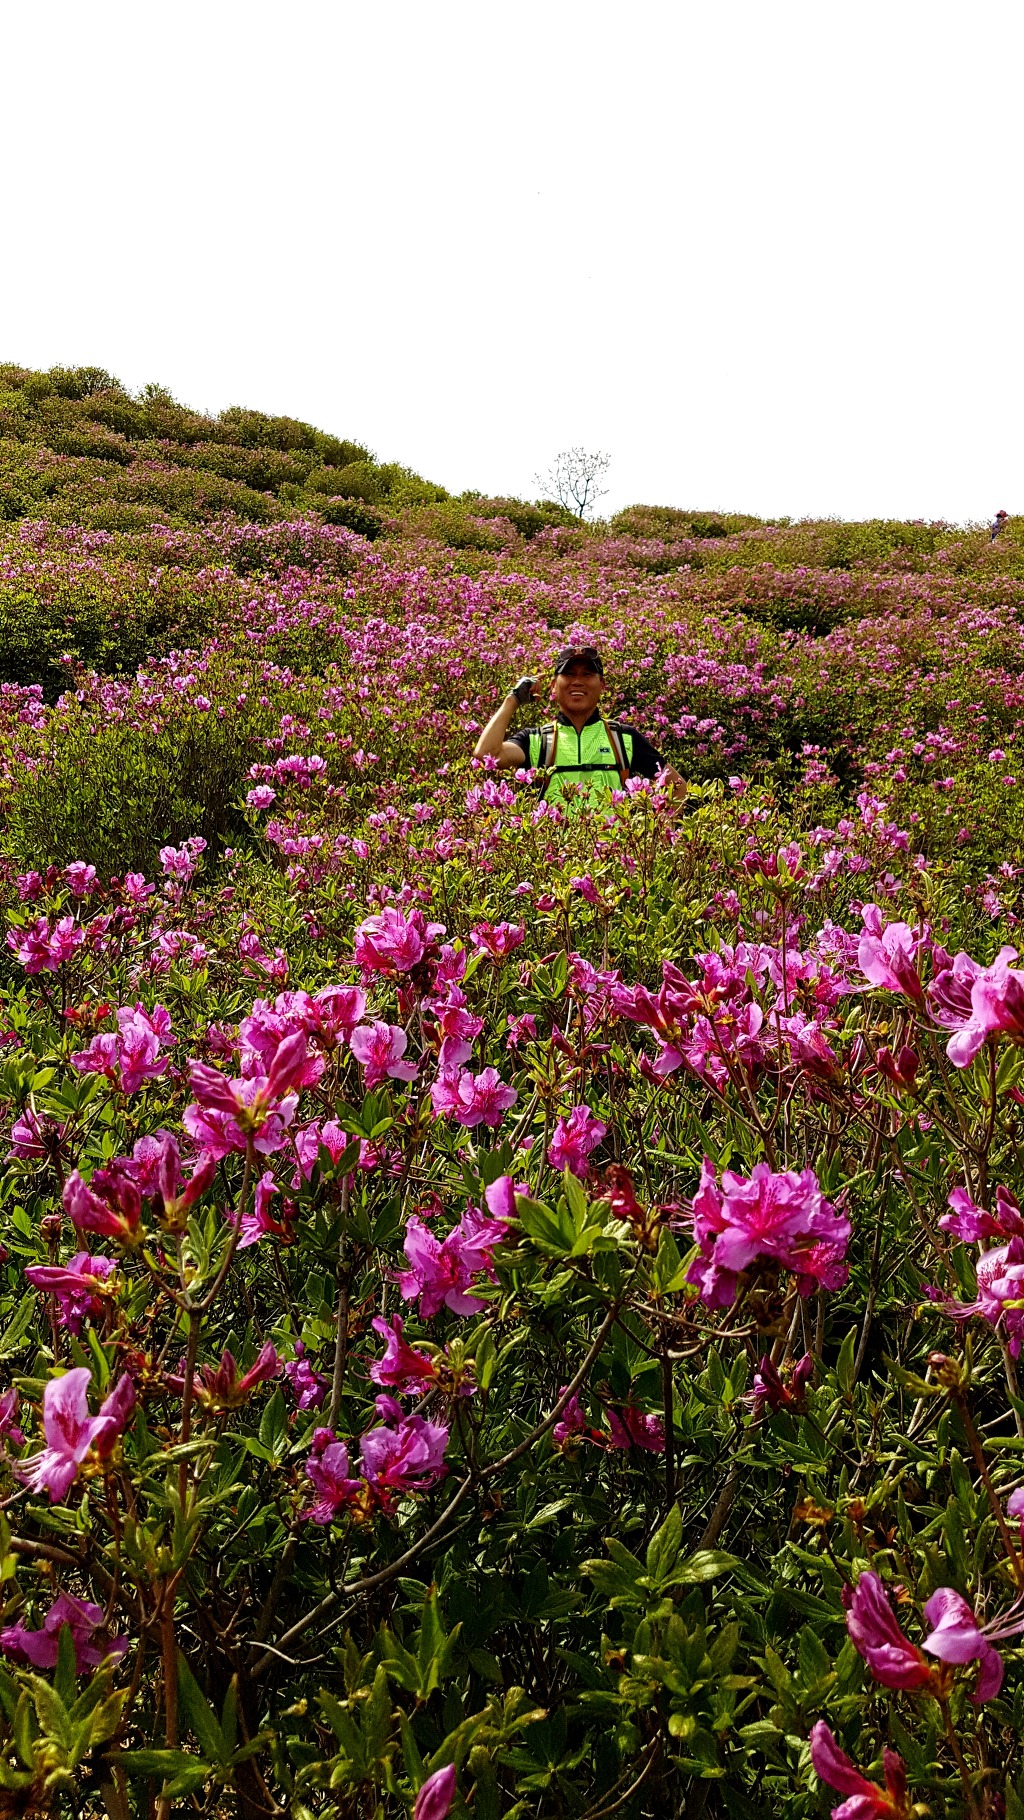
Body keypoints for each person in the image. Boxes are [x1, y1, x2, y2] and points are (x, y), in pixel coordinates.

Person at [473, 645, 682, 807]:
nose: (578, 681)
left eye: (587, 674)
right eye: (569, 674)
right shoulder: (536, 740)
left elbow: (678, 788)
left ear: (602, 685)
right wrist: (513, 700)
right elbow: (486, 754)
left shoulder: (623, 737)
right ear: (553, 686)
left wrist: (660, 832)